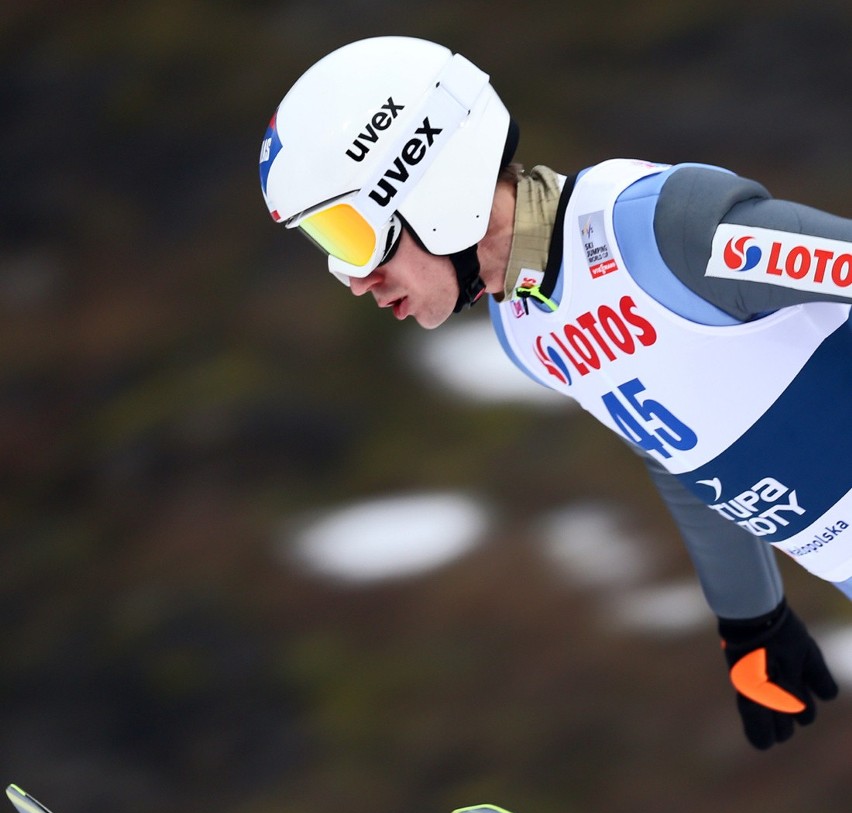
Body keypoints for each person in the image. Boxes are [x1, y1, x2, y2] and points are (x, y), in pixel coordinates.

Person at [258, 36, 851, 750]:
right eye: (327, 247)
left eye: (347, 233)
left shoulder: (664, 233)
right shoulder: (528, 326)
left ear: (424, 181)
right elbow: (687, 448)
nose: (354, 278)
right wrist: (753, 620)